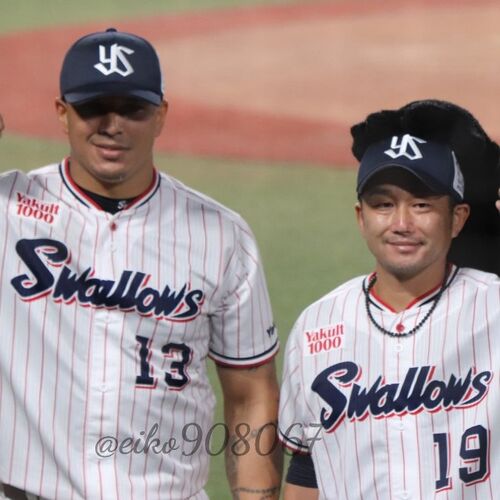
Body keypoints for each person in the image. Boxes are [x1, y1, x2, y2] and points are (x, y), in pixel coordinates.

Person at [0, 29, 282, 499]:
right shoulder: (8, 210)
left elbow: (251, 395)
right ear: (62, 113)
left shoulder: (221, 235)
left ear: (161, 115)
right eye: (93, 107)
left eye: (133, 109)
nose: (112, 125)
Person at [278, 101, 500, 499]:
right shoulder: (317, 328)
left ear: (457, 218)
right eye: (383, 204)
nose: (401, 224)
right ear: (361, 217)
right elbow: (307, 466)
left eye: (421, 205)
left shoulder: (493, 309)